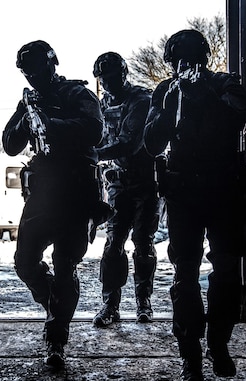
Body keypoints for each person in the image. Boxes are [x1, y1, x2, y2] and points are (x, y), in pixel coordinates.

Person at [143, 29, 246, 381]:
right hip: (184, 192)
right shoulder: (164, 91)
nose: (182, 66)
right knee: (184, 274)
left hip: (223, 189)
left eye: (188, 59)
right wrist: (174, 102)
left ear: (203, 59)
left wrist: (201, 91)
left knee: (227, 272)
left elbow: (238, 117)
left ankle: (218, 345)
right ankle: (190, 356)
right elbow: (152, 142)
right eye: (176, 61)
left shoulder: (225, 84)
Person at [2, 40, 104, 369]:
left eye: (36, 69)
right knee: (25, 262)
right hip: (43, 191)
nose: (31, 77)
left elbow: (95, 131)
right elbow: (9, 145)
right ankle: (57, 307)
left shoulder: (77, 94)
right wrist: (26, 118)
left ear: (51, 64)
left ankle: (56, 338)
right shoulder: (29, 100)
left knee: (65, 265)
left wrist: (50, 122)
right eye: (25, 72)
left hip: (76, 192)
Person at [91, 52, 159, 326]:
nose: (107, 83)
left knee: (143, 244)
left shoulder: (140, 100)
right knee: (113, 245)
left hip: (144, 182)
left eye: (111, 77)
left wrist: (92, 153)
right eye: (103, 78)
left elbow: (129, 142)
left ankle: (144, 301)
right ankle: (110, 304)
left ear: (123, 74)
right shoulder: (102, 103)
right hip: (118, 183)